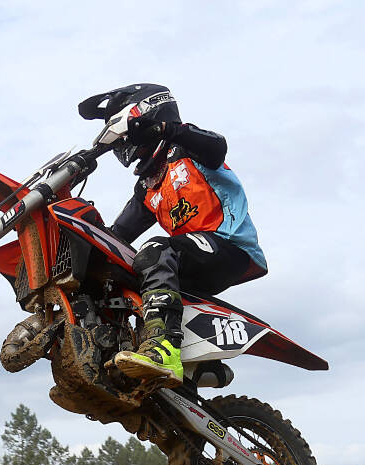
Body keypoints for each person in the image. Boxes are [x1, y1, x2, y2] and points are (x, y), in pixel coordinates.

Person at [78, 84, 266, 386]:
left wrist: (165, 129)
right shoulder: (148, 185)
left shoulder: (190, 148)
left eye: (125, 137)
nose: (125, 147)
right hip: (189, 258)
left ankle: (163, 347)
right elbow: (117, 236)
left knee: (153, 250)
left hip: (229, 247)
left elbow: (217, 146)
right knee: (120, 266)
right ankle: (125, 348)